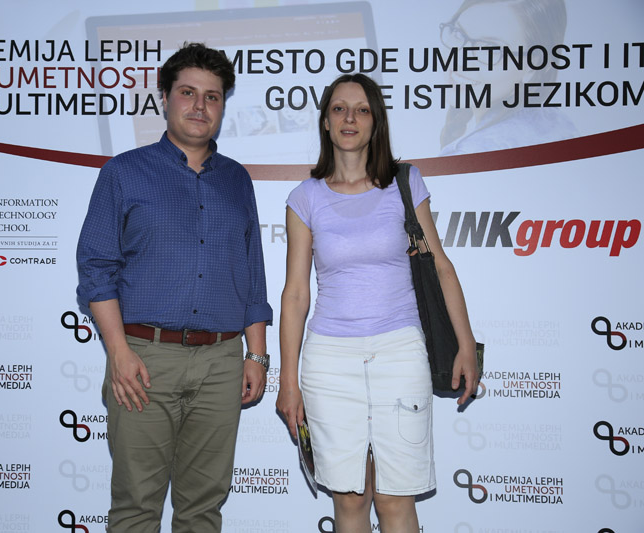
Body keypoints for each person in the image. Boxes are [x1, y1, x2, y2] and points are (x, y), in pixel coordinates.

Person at [76, 42, 272, 533]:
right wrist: (118, 351)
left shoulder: (237, 181)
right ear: (165, 98)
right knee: (136, 508)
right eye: (188, 92)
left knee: (203, 510)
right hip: (144, 360)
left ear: (223, 105)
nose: (200, 106)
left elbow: (252, 274)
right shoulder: (124, 172)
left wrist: (256, 355)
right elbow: (96, 268)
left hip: (222, 363)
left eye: (212, 96)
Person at [276, 73, 478, 533]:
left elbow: (441, 267)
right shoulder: (304, 198)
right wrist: (288, 381)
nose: (350, 118)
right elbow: (296, 293)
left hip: (399, 352)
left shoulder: (405, 183)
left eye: (362, 109)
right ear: (325, 121)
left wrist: (466, 345)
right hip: (329, 361)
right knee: (350, 500)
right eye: (339, 109)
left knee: (394, 499)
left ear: (375, 122)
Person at [438, 0, 578, 155]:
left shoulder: (471, 154)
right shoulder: (560, 125)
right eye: (459, 34)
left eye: (490, 48)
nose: (460, 59)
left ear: (534, 64)